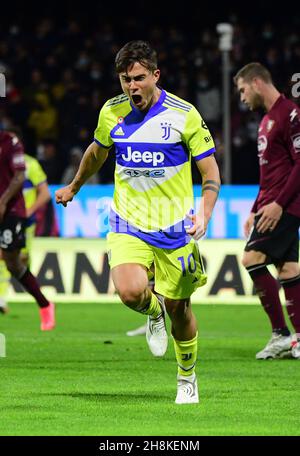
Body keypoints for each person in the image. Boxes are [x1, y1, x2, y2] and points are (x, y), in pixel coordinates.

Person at [56, 40, 220, 403]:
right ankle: (152, 309)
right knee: (130, 291)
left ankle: (187, 377)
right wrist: (74, 186)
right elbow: (97, 153)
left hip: (175, 229)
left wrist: (205, 211)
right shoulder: (112, 112)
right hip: (128, 222)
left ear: (155, 75)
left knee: (181, 309)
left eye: (139, 78)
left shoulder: (184, 114)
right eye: (125, 79)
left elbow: (210, 173)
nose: (132, 87)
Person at [234, 62, 300, 360]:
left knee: (252, 258)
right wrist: (254, 207)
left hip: (284, 205)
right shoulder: (266, 121)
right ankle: (297, 338)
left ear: (257, 82)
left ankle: (281, 335)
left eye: (243, 89)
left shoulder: (291, 113)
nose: (242, 97)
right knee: (289, 269)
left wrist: (277, 205)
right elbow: (269, 174)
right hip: (271, 203)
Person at [0, 130, 55, 330]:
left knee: (14, 263)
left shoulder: (18, 150)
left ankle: (44, 304)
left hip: (15, 215)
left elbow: (43, 192)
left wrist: (17, 207)